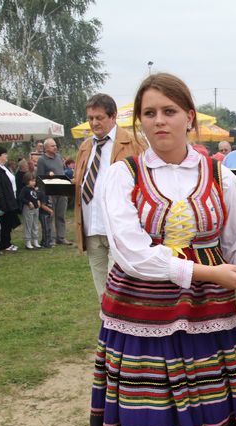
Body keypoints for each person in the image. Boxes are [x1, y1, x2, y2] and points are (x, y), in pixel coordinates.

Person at [87, 73, 236, 426]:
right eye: (149, 113)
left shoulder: (219, 174)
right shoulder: (122, 174)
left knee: (217, 396)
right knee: (148, 412)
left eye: (169, 111)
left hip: (209, 311)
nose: (159, 121)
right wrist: (208, 272)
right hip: (141, 311)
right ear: (139, 121)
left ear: (189, 117)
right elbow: (131, 253)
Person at [74, 93, 143, 299]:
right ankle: (105, 317)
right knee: (100, 285)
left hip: (118, 227)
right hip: (91, 226)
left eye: (99, 117)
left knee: (118, 284)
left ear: (113, 116)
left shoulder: (133, 143)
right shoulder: (85, 147)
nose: (94, 123)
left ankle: (120, 316)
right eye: (90, 118)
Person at [37, 138, 70, 245]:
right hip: (50, 192)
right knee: (50, 215)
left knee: (61, 215)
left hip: (62, 190)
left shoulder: (59, 157)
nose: (55, 147)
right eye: (52, 146)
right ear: (46, 148)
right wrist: (45, 194)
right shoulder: (42, 160)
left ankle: (61, 237)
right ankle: (50, 238)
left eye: (55, 145)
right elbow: (39, 177)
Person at [19, 173, 41, 249]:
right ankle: (28, 242)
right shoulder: (24, 189)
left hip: (36, 209)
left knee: (35, 224)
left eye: (34, 181)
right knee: (28, 225)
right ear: (27, 181)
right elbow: (21, 198)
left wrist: (38, 200)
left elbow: (35, 197)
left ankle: (35, 240)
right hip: (28, 209)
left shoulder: (33, 189)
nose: (34, 182)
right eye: (32, 181)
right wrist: (28, 202)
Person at [37, 180, 54, 248]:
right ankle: (45, 243)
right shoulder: (43, 194)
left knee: (48, 228)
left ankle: (47, 241)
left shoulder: (49, 194)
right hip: (43, 214)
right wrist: (50, 211)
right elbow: (42, 205)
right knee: (45, 229)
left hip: (48, 214)